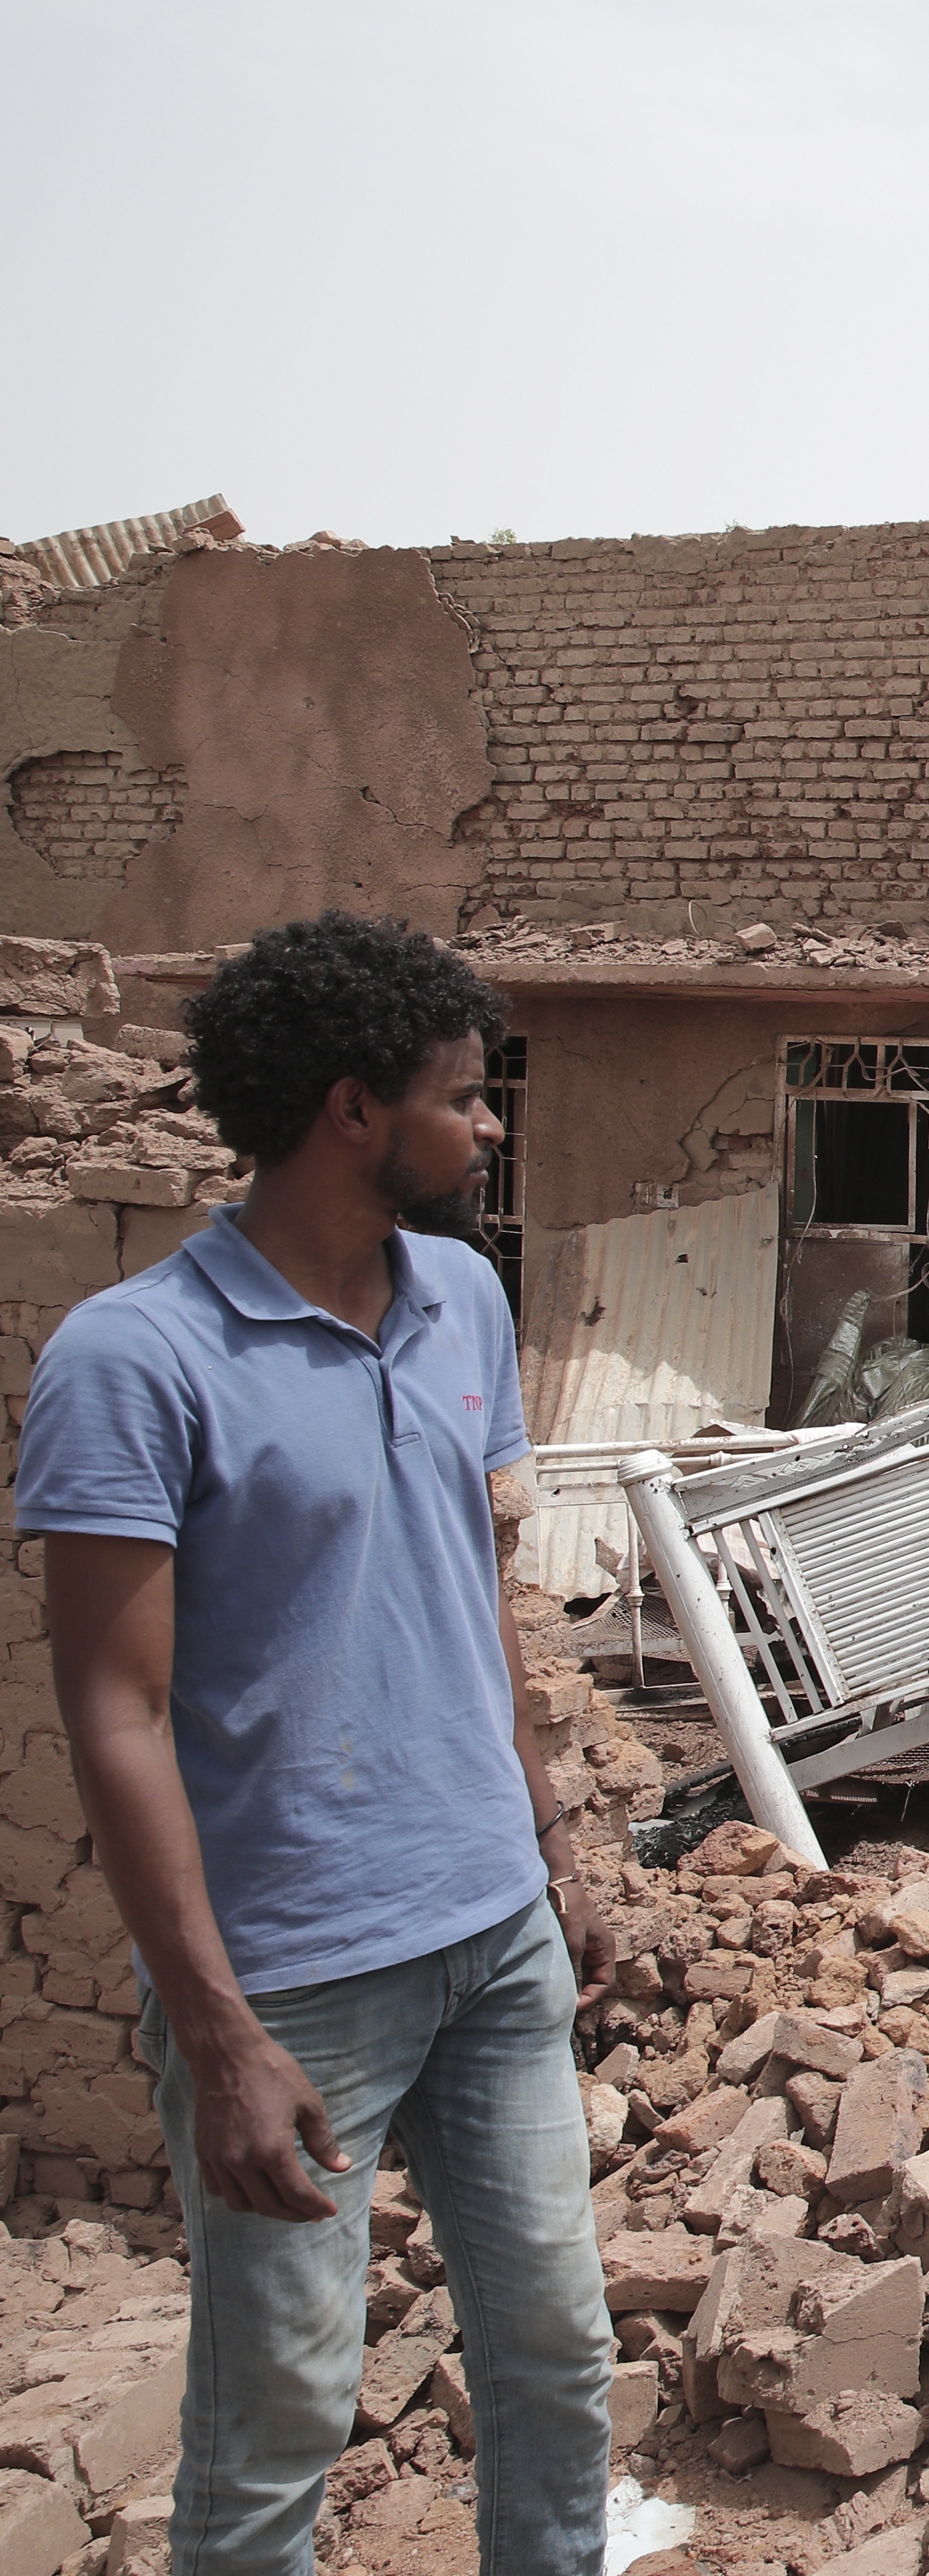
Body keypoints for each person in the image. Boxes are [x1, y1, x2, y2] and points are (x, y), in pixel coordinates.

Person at [22, 913, 612, 2575]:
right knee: (282, 2422)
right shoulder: (136, 1361)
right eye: (466, 1098)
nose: (489, 1128)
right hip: (291, 1979)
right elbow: (113, 1710)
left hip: (491, 1943)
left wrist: (551, 1846)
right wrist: (214, 2031)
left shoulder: (465, 1301)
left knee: (560, 2363)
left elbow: (474, 1587)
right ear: (354, 1112)